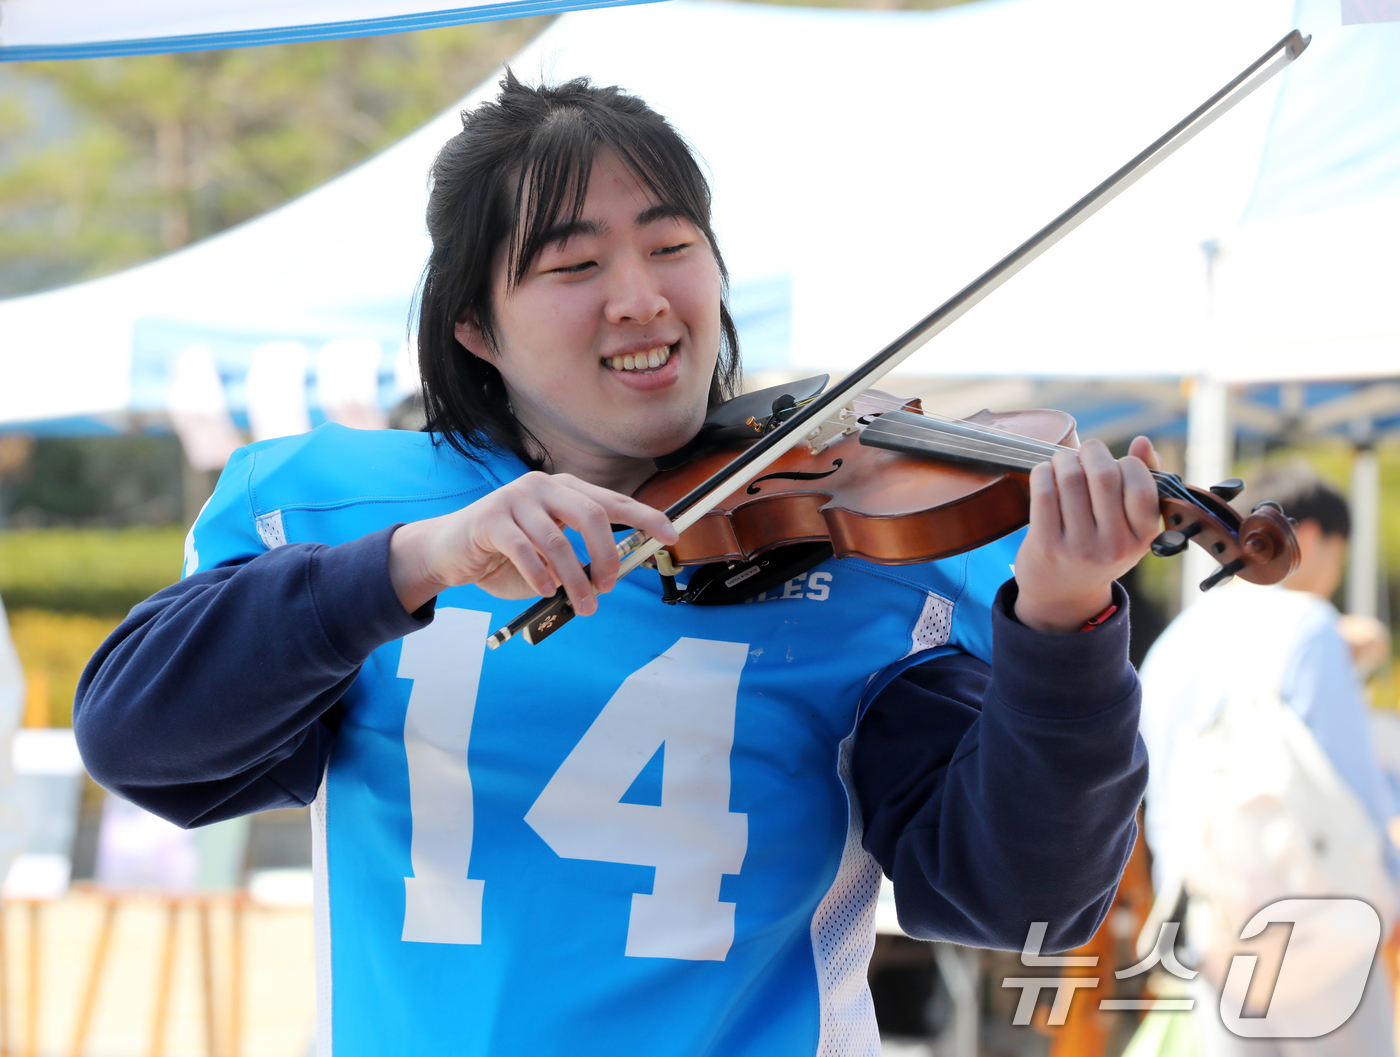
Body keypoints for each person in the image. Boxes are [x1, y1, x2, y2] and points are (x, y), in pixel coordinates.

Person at [75, 74, 1156, 1056]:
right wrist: (414, 563)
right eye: (574, 264)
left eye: (671, 245)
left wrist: (1062, 626)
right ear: (474, 328)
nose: (639, 296)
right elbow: (139, 738)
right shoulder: (347, 512)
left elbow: (1022, 901)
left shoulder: (873, 567)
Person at [1139, 464, 1400, 1057]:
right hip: (1319, 918)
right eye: (1336, 551)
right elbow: (1350, 786)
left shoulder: (1173, 644)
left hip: (1213, 922)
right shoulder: (1307, 626)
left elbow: (1160, 802)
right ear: (1305, 535)